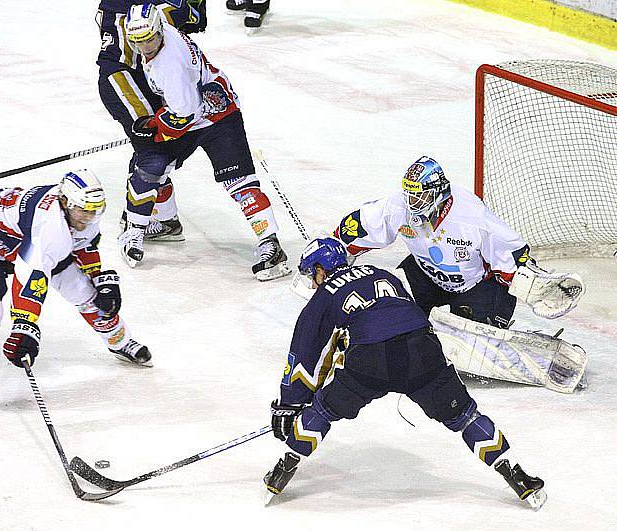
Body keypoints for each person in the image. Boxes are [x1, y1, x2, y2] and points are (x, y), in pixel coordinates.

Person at [263, 238, 547, 509]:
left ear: (321, 271)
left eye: (313, 275)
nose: (314, 282)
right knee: (464, 416)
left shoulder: (324, 295)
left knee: (323, 411)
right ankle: (517, 475)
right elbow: (402, 313)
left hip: (371, 361)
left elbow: (305, 354)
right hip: (422, 350)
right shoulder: (381, 272)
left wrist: (290, 404)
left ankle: (283, 470)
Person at [0, 170, 151, 416]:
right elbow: (30, 277)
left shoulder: (81, 210)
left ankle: (119, 342)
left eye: (95, 210)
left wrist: (99, 278)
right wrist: (24, 326)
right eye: (84, 210)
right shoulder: (49, 226)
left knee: (86, 293)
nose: (89, 216)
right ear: (65, 202)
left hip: (23, 238)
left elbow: (83, 244)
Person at [117, 3, 290, 280]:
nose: (146, 47)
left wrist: (155, 129)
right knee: (149, 166)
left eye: (149, 39)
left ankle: (270, 245)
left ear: (159, 30)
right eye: (138, 42)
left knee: (240, 183)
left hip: (217, 116)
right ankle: (142, 230)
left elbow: (182, 116)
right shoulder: (163, 35)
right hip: (202, 104)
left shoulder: (168, 65)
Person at [334, 155, 582, 328]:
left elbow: (511, 258)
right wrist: (333, 250)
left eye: (420, 198)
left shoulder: (472, 218)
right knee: (391, 304)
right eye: (410, 196)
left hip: (479, 286)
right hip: (425, 275)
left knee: (475, 330)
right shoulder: (399, 207)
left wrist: (537, 287)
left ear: (439, 193)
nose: (412, 204)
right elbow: (362, 224)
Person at [96, 0, 208, 246]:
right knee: (153, 150)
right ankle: (152, 218)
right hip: (123, 75)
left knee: (160, 149)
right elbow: (196, 19)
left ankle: (162, 218)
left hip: (149, 73)